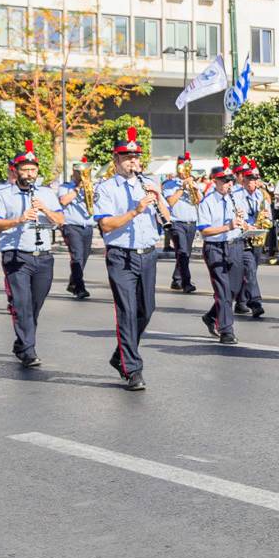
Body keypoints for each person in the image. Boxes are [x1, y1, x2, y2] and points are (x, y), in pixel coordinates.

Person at [90, 129, 167, 391]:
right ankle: (133, 369)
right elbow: (106, 225)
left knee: (147, 309)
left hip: (147, 254)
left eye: (136, 157)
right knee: (127, 311)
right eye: (127, 158)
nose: (133, 162)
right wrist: (135, 210)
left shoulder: (148, 183)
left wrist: (157, 197)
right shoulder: (106, 188)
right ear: (116, 160)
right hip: (122, 255)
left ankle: (120, 355)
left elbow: (166, 216)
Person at [0, 140, 66, 370]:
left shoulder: (47, 193)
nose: (30, 174)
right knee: (21, 305)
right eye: (25, 170)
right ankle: (29, 350)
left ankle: (22, 343)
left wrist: (45, 209)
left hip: (43, 255)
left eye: (33, 170)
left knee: (34, 305)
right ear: (15, 171)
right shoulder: (2, 194)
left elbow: (61, 221)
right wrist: (19, 219)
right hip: (16, 254)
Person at [193, 158, 248, 345]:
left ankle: (210, 316)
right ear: (215, 181)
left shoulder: (237, 198)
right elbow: (205, 230)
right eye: (224, 181)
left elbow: (242, 223)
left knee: (234, 289)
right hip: (215, 247)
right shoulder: (207, 202)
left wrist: (247, 225)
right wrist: (228, 226)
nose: (229, 184)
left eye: (230, 181)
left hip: (234, 245)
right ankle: (226, 330)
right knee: (223, 292)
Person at [231, 161, 271, 320]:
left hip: (257, 236)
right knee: (250, 270)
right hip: (242, 236)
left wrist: (267, 219)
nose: (253, 182)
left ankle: (241, 302)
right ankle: (255, 303)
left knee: (250, 271)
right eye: (250, 179)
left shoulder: (261, 196)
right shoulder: (237, 195)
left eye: (255, 179)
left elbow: (267, 213)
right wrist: (249, 226)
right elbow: (237, 216)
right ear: (244, 180)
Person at [55, 160, 96, 300]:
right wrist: (78, 188)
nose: (85, 175)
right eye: (81, 172)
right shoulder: (65, 187)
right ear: (74, 172)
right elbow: (63, 201)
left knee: (83, 257)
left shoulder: (92, 186)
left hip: (88, 225)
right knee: (77, 256)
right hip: (71, 226)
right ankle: (79, 288)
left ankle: (73, 283)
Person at [163, 152, 201, 294]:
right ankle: (186, 283)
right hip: (176, 222)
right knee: (183, 252)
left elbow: (198, 202)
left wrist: (195, 189)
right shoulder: (169, 184)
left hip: (191, 222)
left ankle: (176, 279)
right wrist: (182, 188)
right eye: (182, 166)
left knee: (185, 254)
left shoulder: (194, 183)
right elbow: (170, 202)